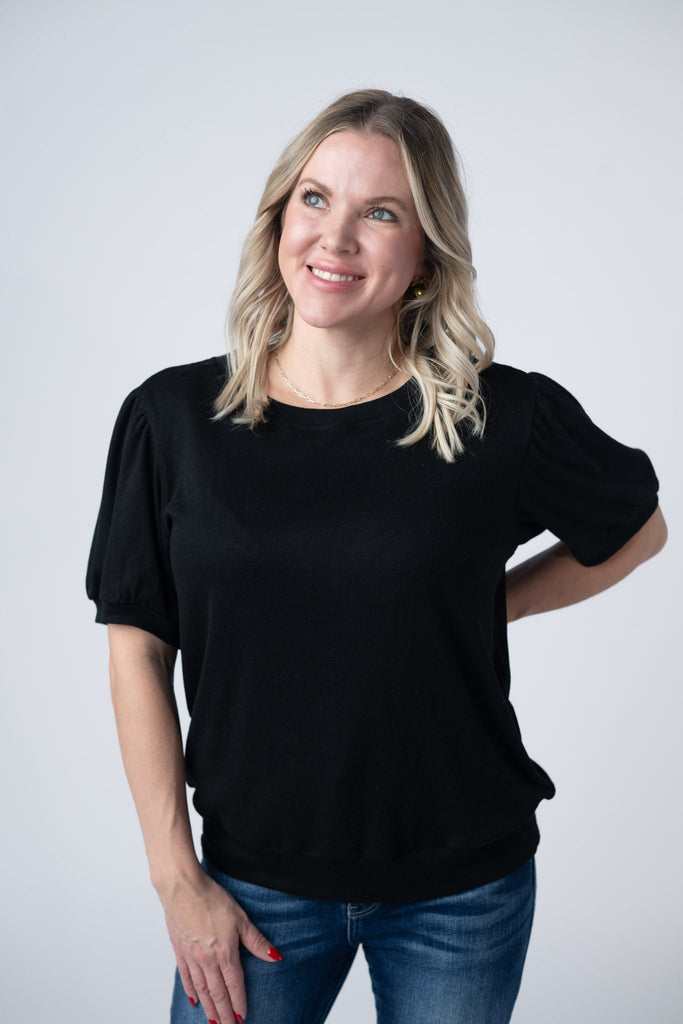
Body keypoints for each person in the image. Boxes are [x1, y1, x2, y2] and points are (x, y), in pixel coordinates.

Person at [86, 89, 666, 1024]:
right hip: (251, 887)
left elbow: (637, 530)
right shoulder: (173, 420)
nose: (336, 237)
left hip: (462, 891)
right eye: (314, 199)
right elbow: (138, 648)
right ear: (280, 217)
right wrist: (176, 879)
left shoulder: (497, 417)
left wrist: (494, 600)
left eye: (381, 212)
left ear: (426, 253)